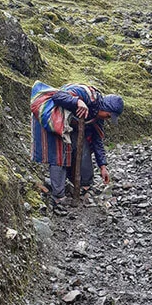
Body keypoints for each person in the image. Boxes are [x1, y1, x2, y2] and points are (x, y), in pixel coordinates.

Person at [31, 83, 124, 212]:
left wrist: (103, 166)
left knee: (83, 148)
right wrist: (77, 101)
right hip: (54, 123)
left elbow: (97, 141)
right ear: (105, 108)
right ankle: (58, 197)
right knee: (59, 155)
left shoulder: (97, 117)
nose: (107, 119)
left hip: (71, 128)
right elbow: (58, 96)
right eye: (108, 116)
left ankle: (83, 186)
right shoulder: (86, 94)